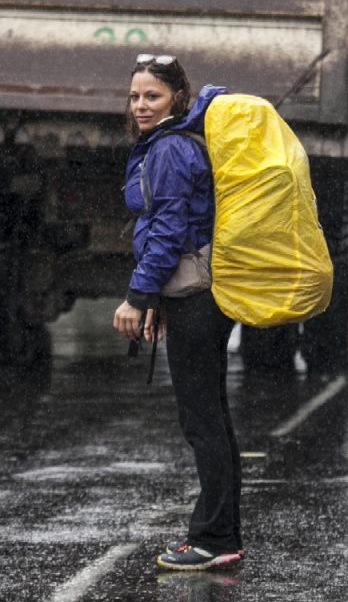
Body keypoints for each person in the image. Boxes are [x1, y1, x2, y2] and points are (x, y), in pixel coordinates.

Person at [112, 54, 244, 571]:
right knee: (212, 418)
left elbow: (168, 231)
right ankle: (223, 534)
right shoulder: (175, 143)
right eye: (135, 96)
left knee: (203, 420)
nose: (140, 106)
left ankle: (212, 538)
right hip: (198, 295)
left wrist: (138, 298)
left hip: (195, 296)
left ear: (177, 99)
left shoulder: (168, 148)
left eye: (152, 96)